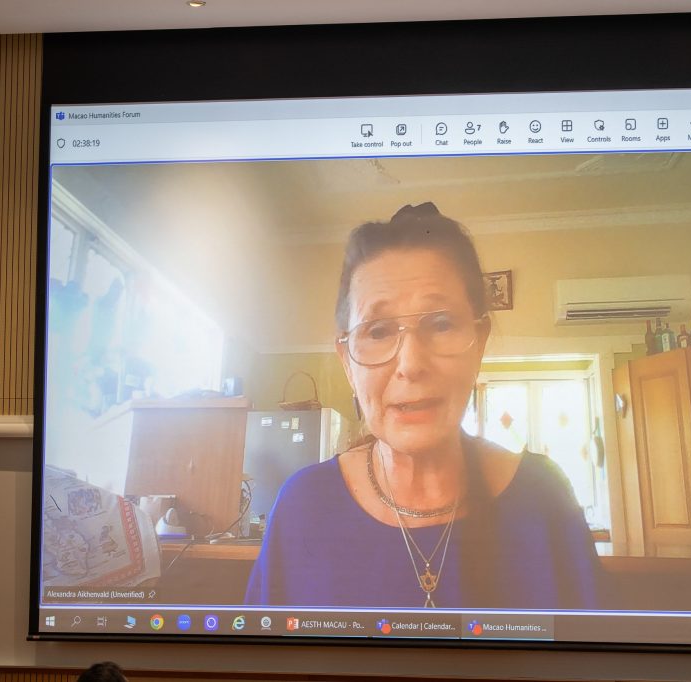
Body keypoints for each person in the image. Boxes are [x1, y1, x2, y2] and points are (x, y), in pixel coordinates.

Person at [244, 203, 606, 609]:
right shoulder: (303, 506)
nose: (411, 363)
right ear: (347, 362)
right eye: (378, 331)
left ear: (479, 342)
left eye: (441, 324)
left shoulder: (544, 498)